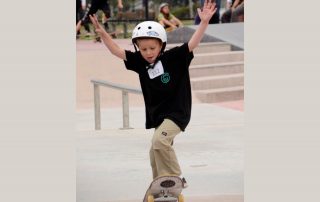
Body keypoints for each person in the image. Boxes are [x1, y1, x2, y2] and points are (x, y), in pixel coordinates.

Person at [89, 0, 217, 189]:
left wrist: (204, 22)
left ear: (161, 46)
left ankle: (175, 178)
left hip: (177, 113)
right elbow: (117, 51)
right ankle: (160, 186)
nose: (148, 53)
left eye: (152, 48)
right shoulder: (140, 61)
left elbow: (192, 43)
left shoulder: (173, 58)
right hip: (159, 116)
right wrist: (104, 35)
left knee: (160, 141)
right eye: (143, 49)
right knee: (154, 151)